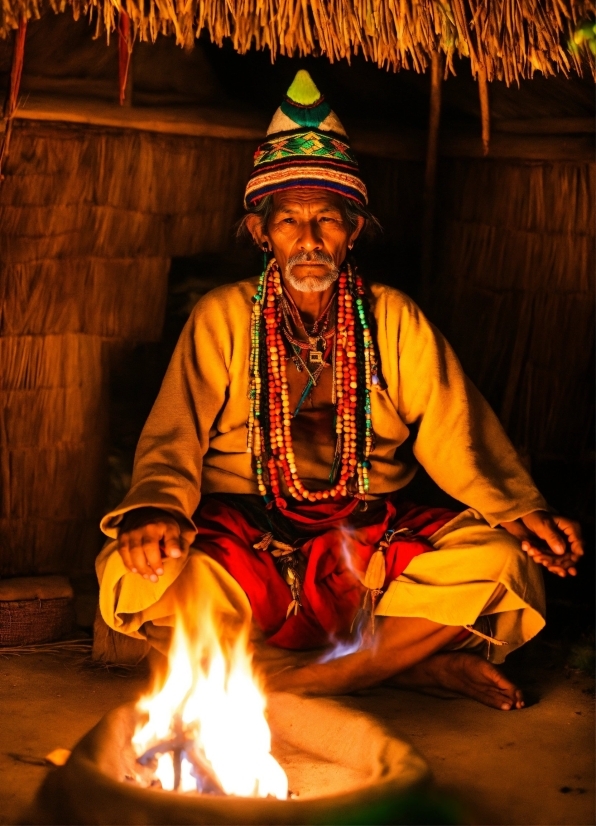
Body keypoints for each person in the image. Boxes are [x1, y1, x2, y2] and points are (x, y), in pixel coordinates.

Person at [97, 71, 583, 710]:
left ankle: (297, 679)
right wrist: (156, 508)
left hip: (369, 537)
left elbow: (454, 429)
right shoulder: (223, 315)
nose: (308, 239)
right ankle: (403, 667)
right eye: (289, 221)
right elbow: (174, 435)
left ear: (353, 232)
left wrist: (519, 508)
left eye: (327, 220)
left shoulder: (393, 317)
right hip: (247, 534)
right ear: (260, 233)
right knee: (131, 573)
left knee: (503, 561)